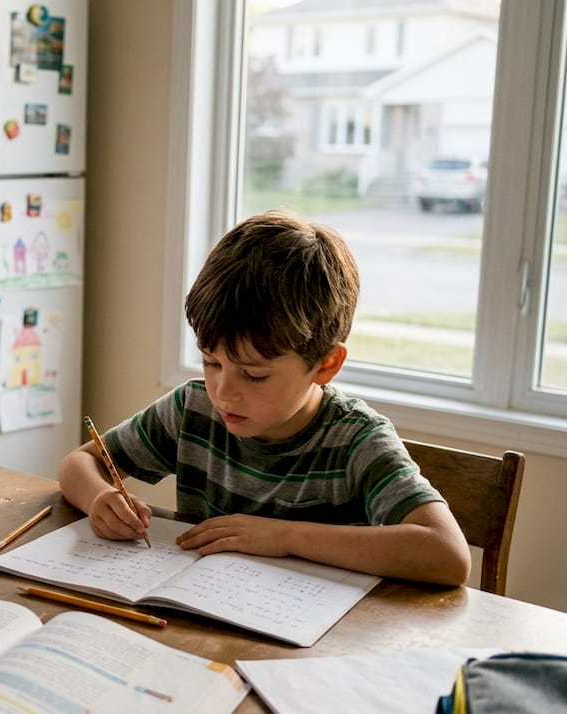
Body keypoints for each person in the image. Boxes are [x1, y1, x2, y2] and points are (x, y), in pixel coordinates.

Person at [56, 209, 471, 586]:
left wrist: (284, 536)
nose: (223, 393)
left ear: (325, 364)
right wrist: (100, 498)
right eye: (210, 362)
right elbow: (80, 463)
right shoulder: (193, 410)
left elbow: (447, 554)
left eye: (254, 375)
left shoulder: (356, 441)